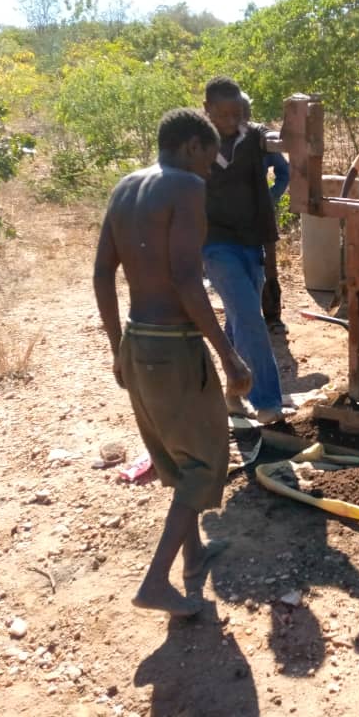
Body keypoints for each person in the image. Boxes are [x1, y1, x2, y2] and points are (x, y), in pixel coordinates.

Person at [93, 108, 252, 617]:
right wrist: (228, 356)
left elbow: (102, 275)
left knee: (175, 457)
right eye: (208, 159)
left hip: (139, 342)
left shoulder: (124, 188)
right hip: (174, 345)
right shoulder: (185, 187)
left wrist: (118, 346)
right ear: (189, 147)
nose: (209, 170)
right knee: (205, 461)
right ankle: (156, 582)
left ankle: (194, 554)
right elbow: (187, 279)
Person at [201, 76, 286, 425]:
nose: (233, 121)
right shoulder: (195, 143)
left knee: (239, 317)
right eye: (224, 114)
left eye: (238, 113)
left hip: (252, 240)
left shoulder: (255, 138)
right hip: (215, 243)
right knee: (251, 316)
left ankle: (233, 395)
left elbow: (284, 158)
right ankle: (268, 403)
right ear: (207, 110)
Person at [240, 92, 290, 332]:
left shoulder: (260, 138)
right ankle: (245, 318)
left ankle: (273, 317)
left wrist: (271, 197)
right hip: (229, 214)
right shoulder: (216, 140)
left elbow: (284, 171)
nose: (240, 116)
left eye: (243, 110)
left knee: (268, 262)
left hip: (260, 212)